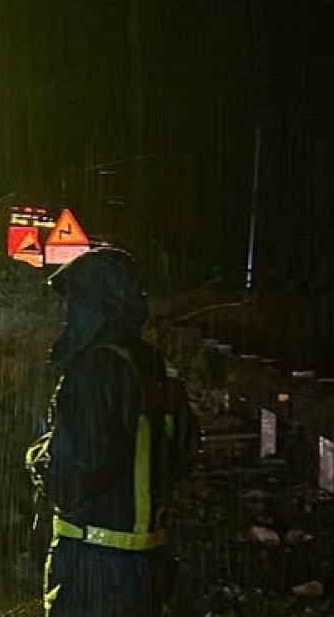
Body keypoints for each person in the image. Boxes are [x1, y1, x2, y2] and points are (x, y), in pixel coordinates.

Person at [26, 247, 199, 616]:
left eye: (74, 305)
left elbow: (76, 470)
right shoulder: (153, 365)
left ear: (94, 307)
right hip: (147, 564)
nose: (67, 316)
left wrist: (41, 461)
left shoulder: (94, 369)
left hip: (95, 565)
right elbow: (183, 448)